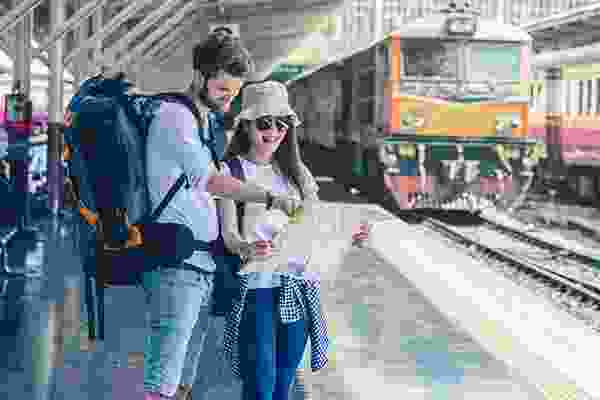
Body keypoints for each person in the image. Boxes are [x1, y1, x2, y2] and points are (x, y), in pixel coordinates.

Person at [142, 34, 301, 400]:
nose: (227, 100)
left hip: (200, 264)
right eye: (222, 90)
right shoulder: (175, 118)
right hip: (177, 265)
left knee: (183, 378)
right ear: (200, 77)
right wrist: (270, 197)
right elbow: (212, 181)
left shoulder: (201, 121)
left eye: (233, 93)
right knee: (164, 378)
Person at [219, 80, 370, 400]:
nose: (274, 132)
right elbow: (229, 234)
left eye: (282, 124)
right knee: (260, 385)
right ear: (245, 125)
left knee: (282, 384)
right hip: (255, 289)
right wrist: (247, 248)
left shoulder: (298, 173)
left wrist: (350, 235)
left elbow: (318, 223)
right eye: (264, 123)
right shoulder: (229, 171)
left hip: (296, 287)